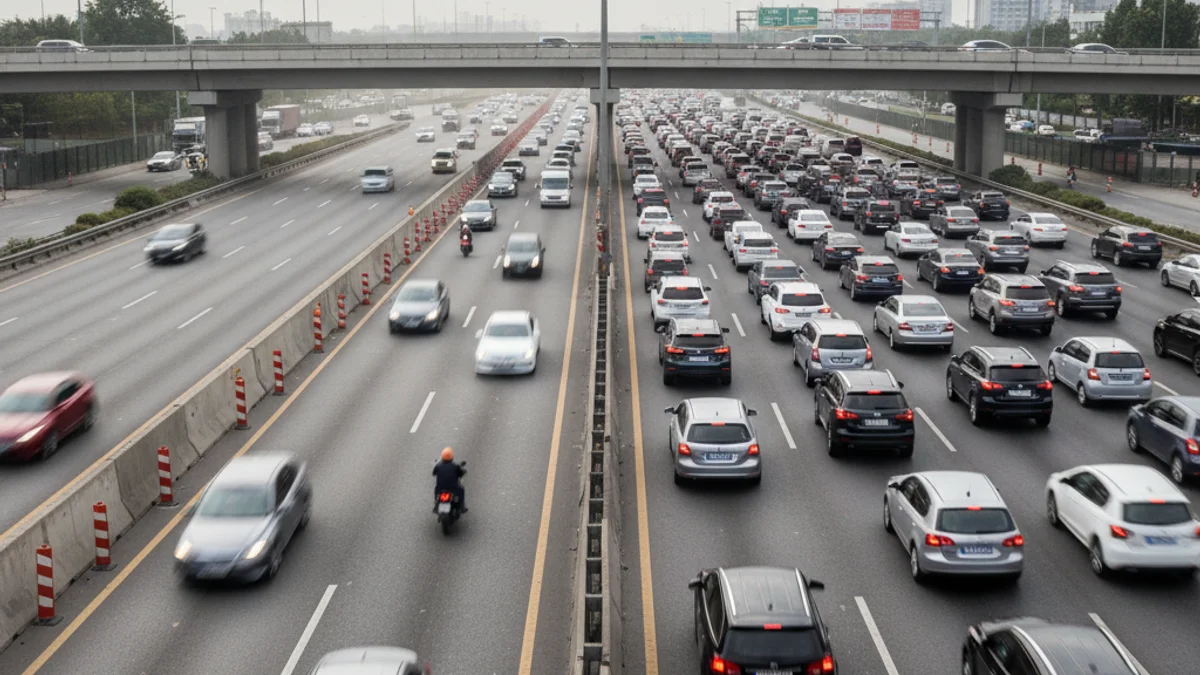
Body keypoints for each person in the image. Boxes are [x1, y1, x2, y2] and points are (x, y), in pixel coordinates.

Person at [432, 446, 467, 513]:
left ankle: (436, 504)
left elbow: (434, 473)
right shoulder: (455, 466)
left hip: (440, 488)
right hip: (453, 488)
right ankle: (462, 506)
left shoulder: (438, 466)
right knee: (461, 489)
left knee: (436, 490)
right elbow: (460, 473)